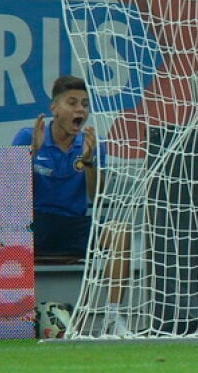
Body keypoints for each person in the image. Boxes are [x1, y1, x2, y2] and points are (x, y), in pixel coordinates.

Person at [13, 75, 131, 337]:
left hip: (75, 225)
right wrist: (31, 153)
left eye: (85, 105)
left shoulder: (92, 143)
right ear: (54, 108)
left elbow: (97, 195)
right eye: (72, 103)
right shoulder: (29, 136)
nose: (80, 110)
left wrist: (89, 162)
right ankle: (5, 316)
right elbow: (9, 192)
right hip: (36, 223)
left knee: (120, 231)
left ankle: (112, 315)